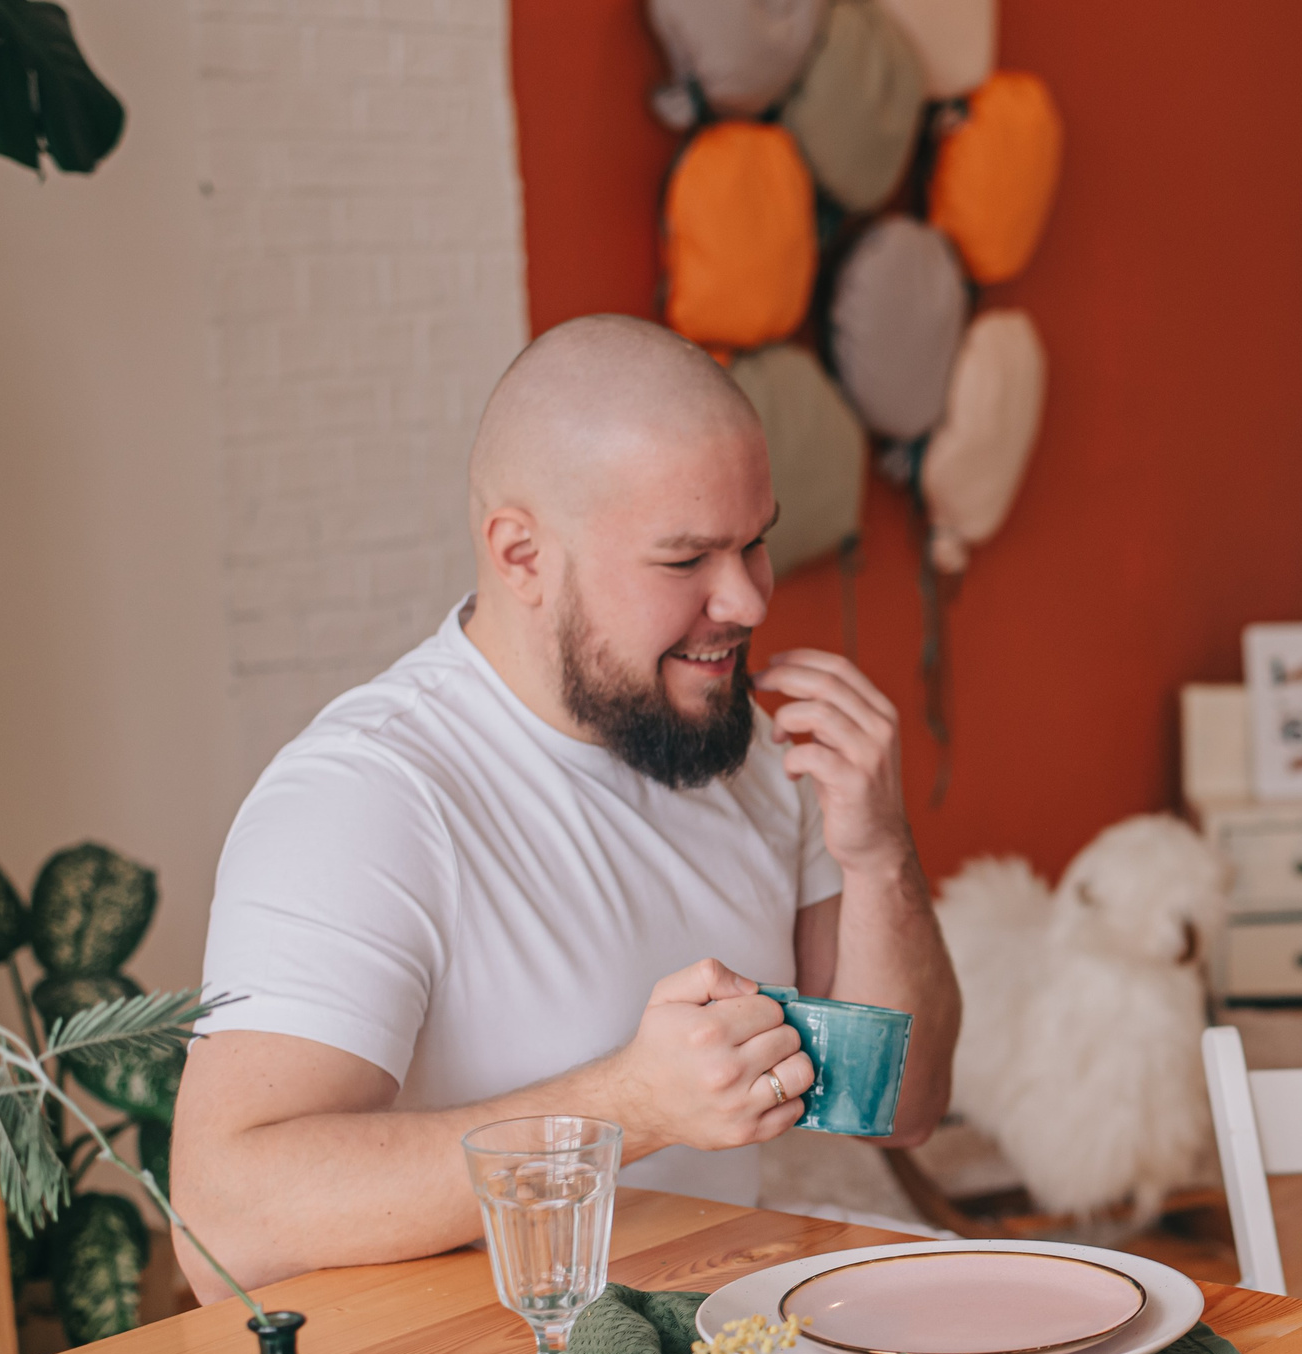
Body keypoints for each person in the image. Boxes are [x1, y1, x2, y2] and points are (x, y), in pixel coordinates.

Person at [171, 315, 959, 1293]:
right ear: (521, 555)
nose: (750, 601)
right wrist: (630, 1106)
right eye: (686, 560)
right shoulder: (364, 799)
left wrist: (880, 855)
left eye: (755, 542)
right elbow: (223, 1219)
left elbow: (902, 1108)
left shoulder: (752, 752)